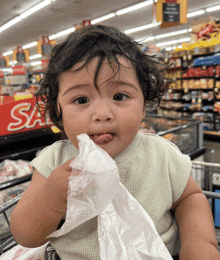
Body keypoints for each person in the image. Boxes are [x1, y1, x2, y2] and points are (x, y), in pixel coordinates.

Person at [10, 25, 219, 260]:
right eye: (81, 99)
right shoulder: (54, 161)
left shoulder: (161, 154)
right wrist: (50, 199)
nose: (102, 113)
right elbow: (25, 234)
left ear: (143, 106)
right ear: (58, 113)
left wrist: (200, 242)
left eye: (120, 96)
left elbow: (190, 198)